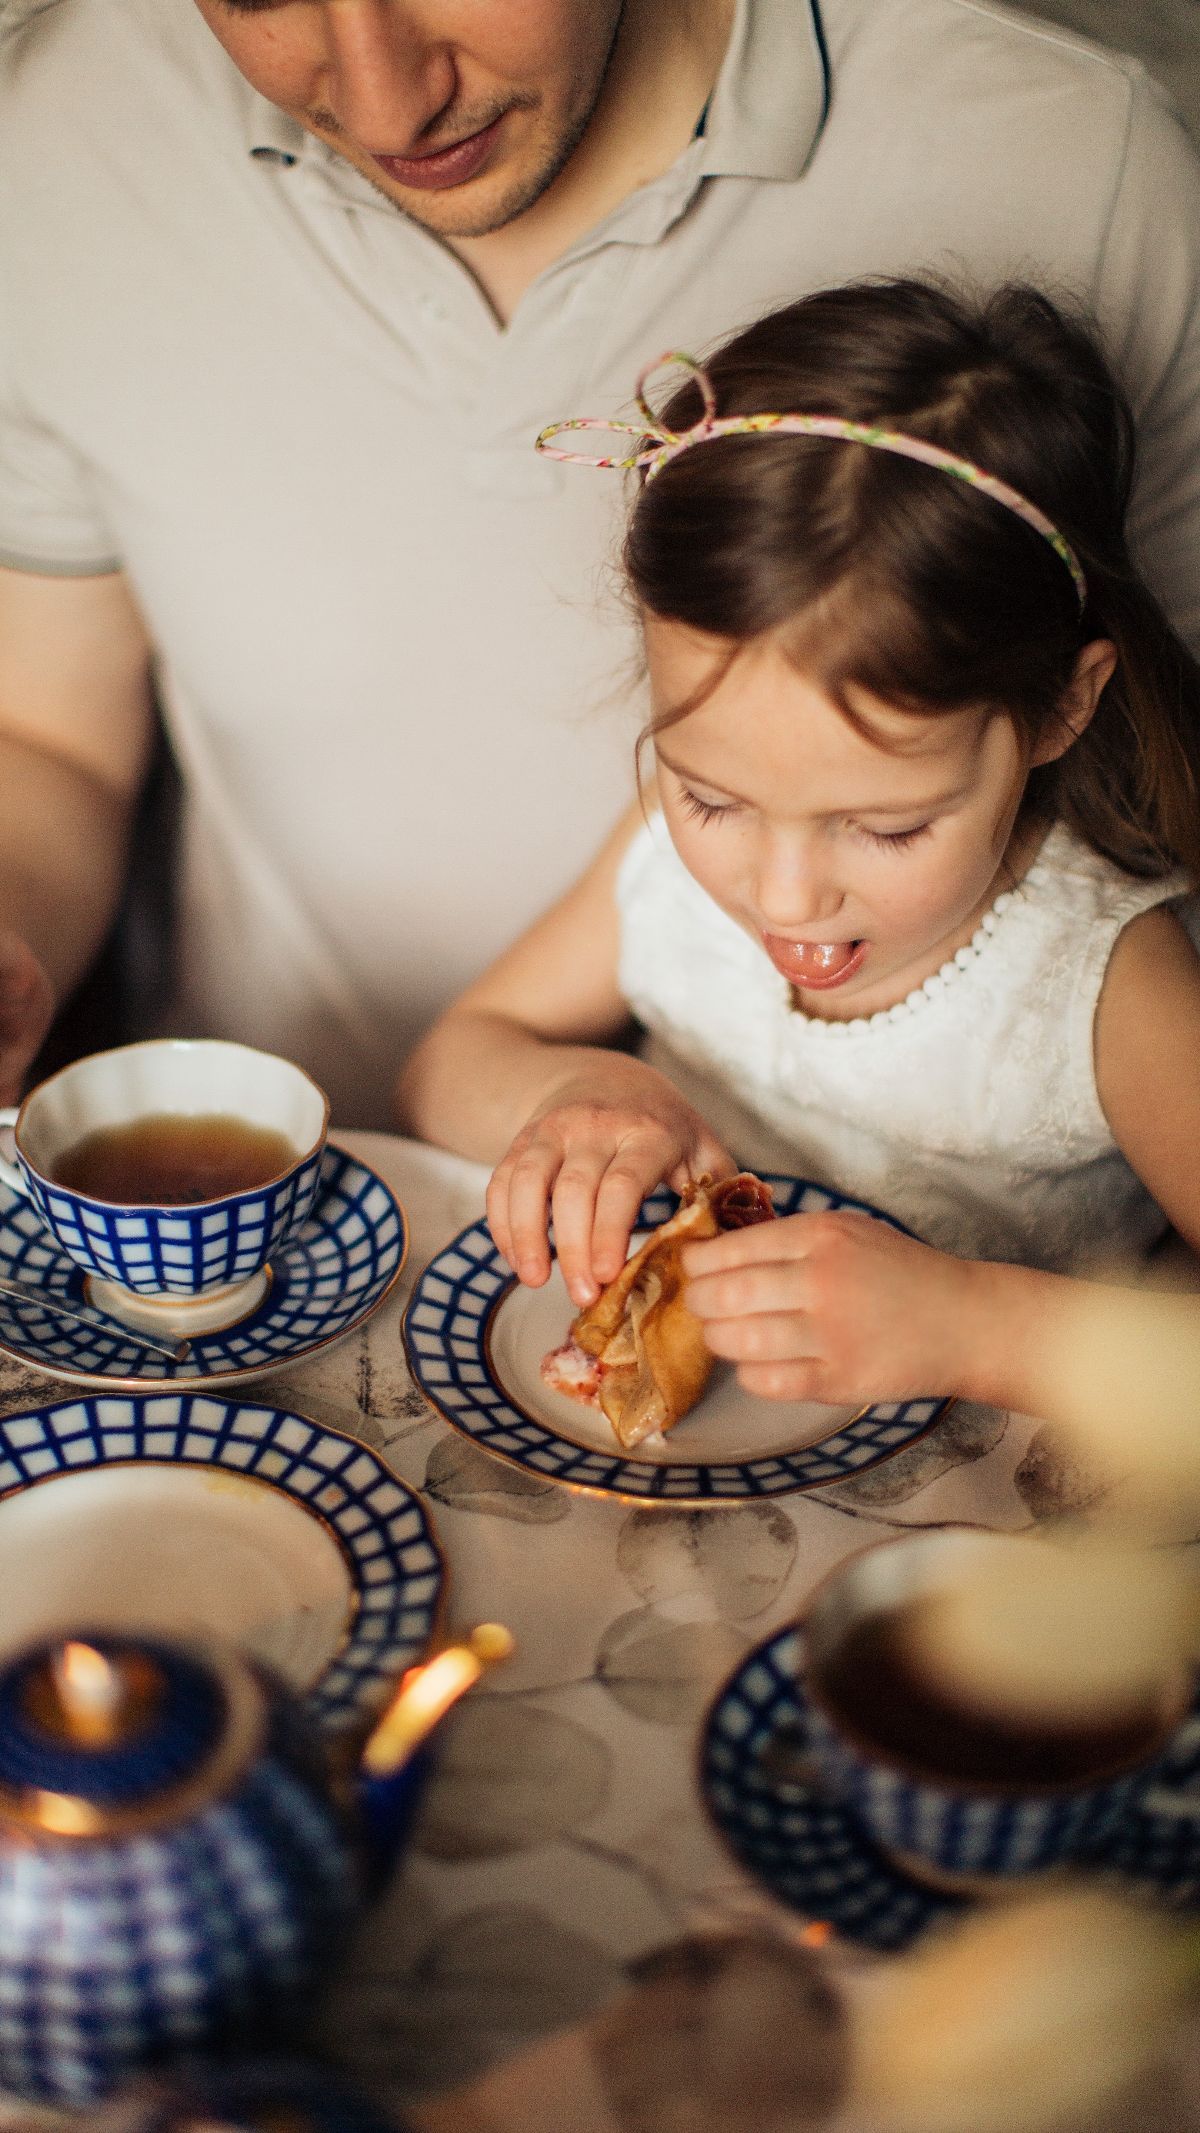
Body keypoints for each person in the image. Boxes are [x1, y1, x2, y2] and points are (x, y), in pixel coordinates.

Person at [3, 1, 1200, 1127]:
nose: (384, 109)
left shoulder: (1073, 167)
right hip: (246, 1202)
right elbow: (48, 740)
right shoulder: (60, 127)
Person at [397, 278, 1200, 1418]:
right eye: (711, 797)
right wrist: (584, 1089)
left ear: (1061, 712)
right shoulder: (662, 866)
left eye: (886, 826)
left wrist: (978, 1326)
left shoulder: (1105, 987)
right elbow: (446, 1064)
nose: (782, 897)